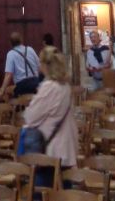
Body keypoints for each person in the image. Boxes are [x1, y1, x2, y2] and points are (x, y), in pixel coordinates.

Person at [22, 47, 78, 180]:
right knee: (63, 186)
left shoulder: (49, 87)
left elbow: (31, 117)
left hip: (51, 148)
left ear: (46, 65)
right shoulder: (65, 86)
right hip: (65, 144)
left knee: (45, 187)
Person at [1, 32, 41, 96]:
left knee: (13, 98)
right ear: (21, 40)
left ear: (10, 43)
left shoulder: (11, 54)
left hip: (22, 86)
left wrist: (1, 90)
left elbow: (8, 75)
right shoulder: (30, 49)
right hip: (35, 83)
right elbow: (39, 66)